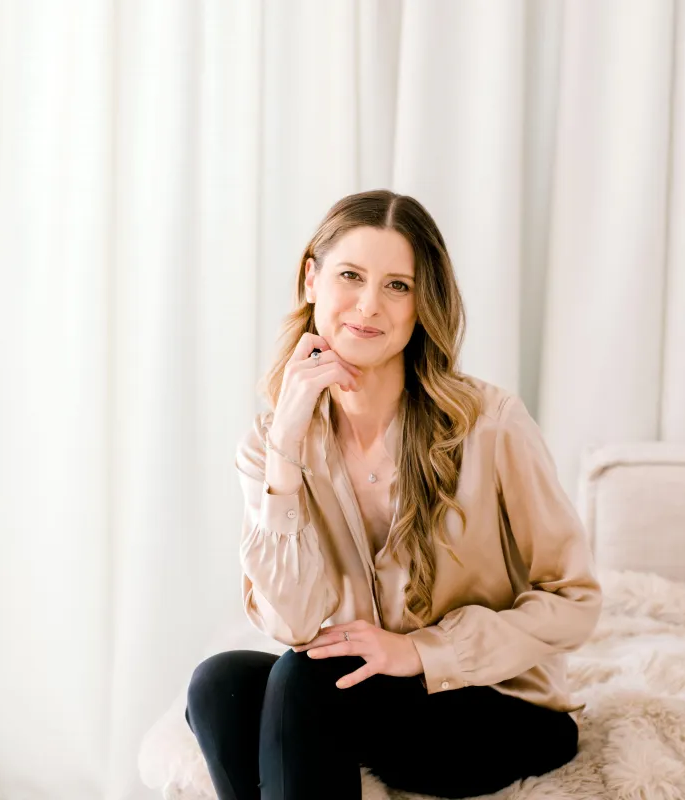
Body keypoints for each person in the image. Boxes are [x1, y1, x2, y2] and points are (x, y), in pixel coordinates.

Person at [185, 189, 602, 800]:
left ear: (421, 304)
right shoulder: (270, 445)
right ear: (312, 280)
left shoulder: (490, 425)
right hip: (363, 700)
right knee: (219, 684)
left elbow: (575, 602)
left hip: (500, 709)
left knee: (306, 680)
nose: (369, 305)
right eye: (350, 276)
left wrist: (422, 651)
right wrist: (288, 447)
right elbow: (292, 622)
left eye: (398, 286)